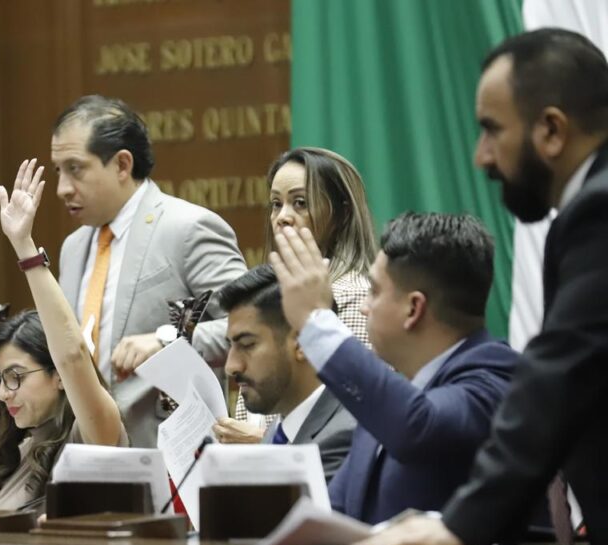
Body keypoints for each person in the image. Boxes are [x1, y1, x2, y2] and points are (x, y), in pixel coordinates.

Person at [352, 29, 608, 545]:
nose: (480, 156)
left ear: (552, 131)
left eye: (491, 130)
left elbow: (562, 373)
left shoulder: (597, 213)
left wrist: (460, 525)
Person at [271, 213, 519, 524]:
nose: (364, 306)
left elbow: (419, 426)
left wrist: (315, 319)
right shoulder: (389, 397)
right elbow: (333, 518)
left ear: (413, 309)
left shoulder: (498, 376)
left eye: (374, 291)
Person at [52, 95, 247, 449]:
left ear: (122, 165)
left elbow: (248, 328)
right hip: (82, 453)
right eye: (58, 171)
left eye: (75, 168)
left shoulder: (189, 228)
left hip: (168, 457)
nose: (62, 188)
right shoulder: (73, 247)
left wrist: (166, 341)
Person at [0, 159, 128, 511]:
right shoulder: (20, 451)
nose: (2, 393)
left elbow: (73, 354)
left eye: (15, 377)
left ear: (58, 375)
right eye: (0, 379)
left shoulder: (94, 435)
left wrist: (25, 248)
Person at [218, 147, 378, 443]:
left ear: (342, 213)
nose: (283, 217)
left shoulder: (356, 297)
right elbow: (251, 409)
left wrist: (261, 440)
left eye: (300, 203)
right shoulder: (268, 297)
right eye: (276, 204)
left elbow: (356, 417)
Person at [213, 265, 356, 479]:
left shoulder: (343, 435)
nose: (231, 366)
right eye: (231, 346)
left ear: (301, 343)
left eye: (247, 344)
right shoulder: (280, 432)